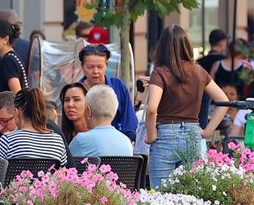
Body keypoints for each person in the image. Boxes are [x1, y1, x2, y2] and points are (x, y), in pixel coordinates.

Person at [145, 26, 229, 188]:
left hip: (165, 136)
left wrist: (150, 135)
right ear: (186, 45)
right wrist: (208, 131)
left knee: (160, 199)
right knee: (194, 197)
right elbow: (223, 100)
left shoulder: (160, 73)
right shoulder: (199, 71)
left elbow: (152, 109)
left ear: (161, 47)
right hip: (193, 134)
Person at [0, 88, 68, 164]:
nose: (0, 127)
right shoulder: (58, 141)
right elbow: (62, 173)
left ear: (16, 112)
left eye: (5, 121)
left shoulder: (7, 141)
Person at [78, 44, 138, 141]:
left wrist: (126, 141)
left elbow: (129, 121)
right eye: (90, 67)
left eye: (100, 67)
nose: (95, 71)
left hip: (117, 143)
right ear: (82, 66)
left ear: (106, 65)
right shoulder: (76, 90)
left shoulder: (118, 86)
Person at [69, 85, 134, 157]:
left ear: (89, 112)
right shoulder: (126, 141)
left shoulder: (80, 141)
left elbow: (67, 166)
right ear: (114, 112)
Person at [0, 18, 28, 94]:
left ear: (5, 39)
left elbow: (17, 94)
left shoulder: (8, 60)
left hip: (11, 106)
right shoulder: (13, 56)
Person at [197, 29, 229, 128]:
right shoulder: (225, 62)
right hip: (220, 103)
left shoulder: (199, 62)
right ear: (221, 43)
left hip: (200, 104)